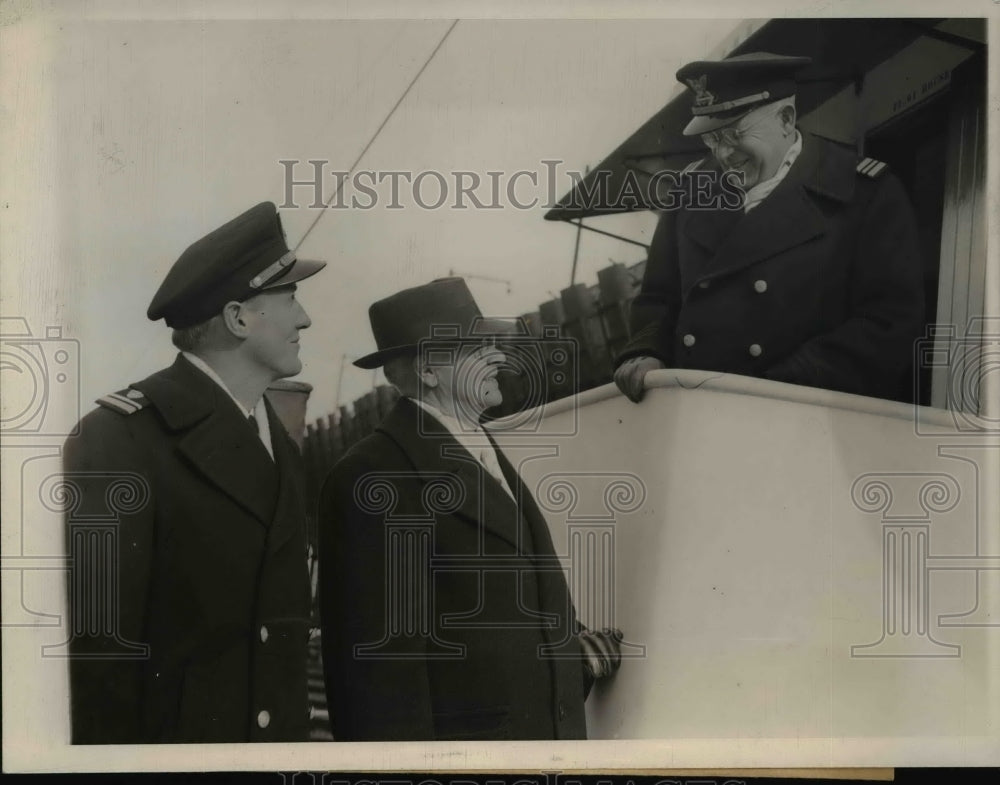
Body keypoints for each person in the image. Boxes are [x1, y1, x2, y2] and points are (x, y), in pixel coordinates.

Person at [62, 201, 326, 743]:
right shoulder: (122, 441)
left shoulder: (279, 444)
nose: (304, 318)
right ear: (237, 319)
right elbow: (100, 666)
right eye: (290, 297)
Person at [318, 277, 621, 741]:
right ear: (428, 370)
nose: (498, 357)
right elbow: (379, 683)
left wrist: (574, 656)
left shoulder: (480, 447)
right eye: (477, 348)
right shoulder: (374, 477)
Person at [614, 52, 924, 403]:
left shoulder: (864, 192)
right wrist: (645, 351)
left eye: (735, 133)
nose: (724, 154)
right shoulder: (693, 192)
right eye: (712, 138)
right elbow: (658, 296)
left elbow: (888, 321)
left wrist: (784, 385)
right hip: (699, 413)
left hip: (808, 417)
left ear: (786, 119)